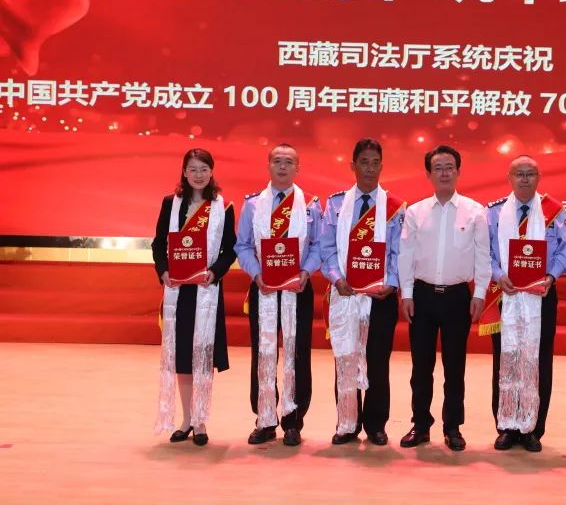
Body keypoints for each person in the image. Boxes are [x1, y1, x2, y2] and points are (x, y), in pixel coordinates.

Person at [398, 145, 491, 451]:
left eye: (449, 167)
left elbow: (483, 256)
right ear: (428, 174)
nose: (444, 173)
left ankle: (453, 427)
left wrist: (479, 293)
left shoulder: (475, 211)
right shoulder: (415, 212)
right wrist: (407, 293)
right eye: (438, 168)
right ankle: (420, 424)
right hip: (422, 296)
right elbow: (406, 255)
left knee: (455, 367)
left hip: (457, 297)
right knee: (420, 367)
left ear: (458, 171)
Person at [485, 155, 566, 453]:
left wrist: (552, 275)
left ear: (539, 177)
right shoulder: (494, 212)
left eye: (530, 174)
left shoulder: (553, 211)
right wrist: (498, 275)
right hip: (505, 295)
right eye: (519, 174)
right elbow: (484, 250)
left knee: (539, 359)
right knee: (506, 357)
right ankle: (506, 426)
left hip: (542, 294)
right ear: (509, 178)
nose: (524, 179)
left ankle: (533, 428)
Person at [235, 143, 322, 446]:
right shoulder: (252, 205)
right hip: (264, 288)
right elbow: (242, 245)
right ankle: (265, 418)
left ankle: (294, 420)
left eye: (289, 162)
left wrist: (306, 271)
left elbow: (318, 246)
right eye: (277, 161)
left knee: (298, 353)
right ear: (268, 166)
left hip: (298, 288)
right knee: (264, 353)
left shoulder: (311, 205)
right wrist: (256, 273)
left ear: (298, 168)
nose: (282, 166)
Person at [320, 138, 405, 446]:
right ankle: (347, 422)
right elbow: (326, 248)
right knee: (346, 357)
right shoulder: (335, 204)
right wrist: (336, 278)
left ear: (382, 166)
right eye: (364, 162)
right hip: (345, 293)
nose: (370, 168)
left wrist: (391, 283)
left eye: (375, 163)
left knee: (377, 361)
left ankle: (376, 424)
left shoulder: (395, 207)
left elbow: (399, 252)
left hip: (380, 297)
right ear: (352, 166)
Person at [152, 148, 236, 447]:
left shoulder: (223, 207)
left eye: (204, 169)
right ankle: (186, 420)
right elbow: (158, 244)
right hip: (179, 291)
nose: (198, 175)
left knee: (203, 356)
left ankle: (200, 421)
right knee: (182, 357)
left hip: (206, 290)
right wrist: (163, 271)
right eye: (193, 169)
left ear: (211, 172)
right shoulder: (171, 204)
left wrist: (214, 272)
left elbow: (230, 249)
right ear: (184, 172)